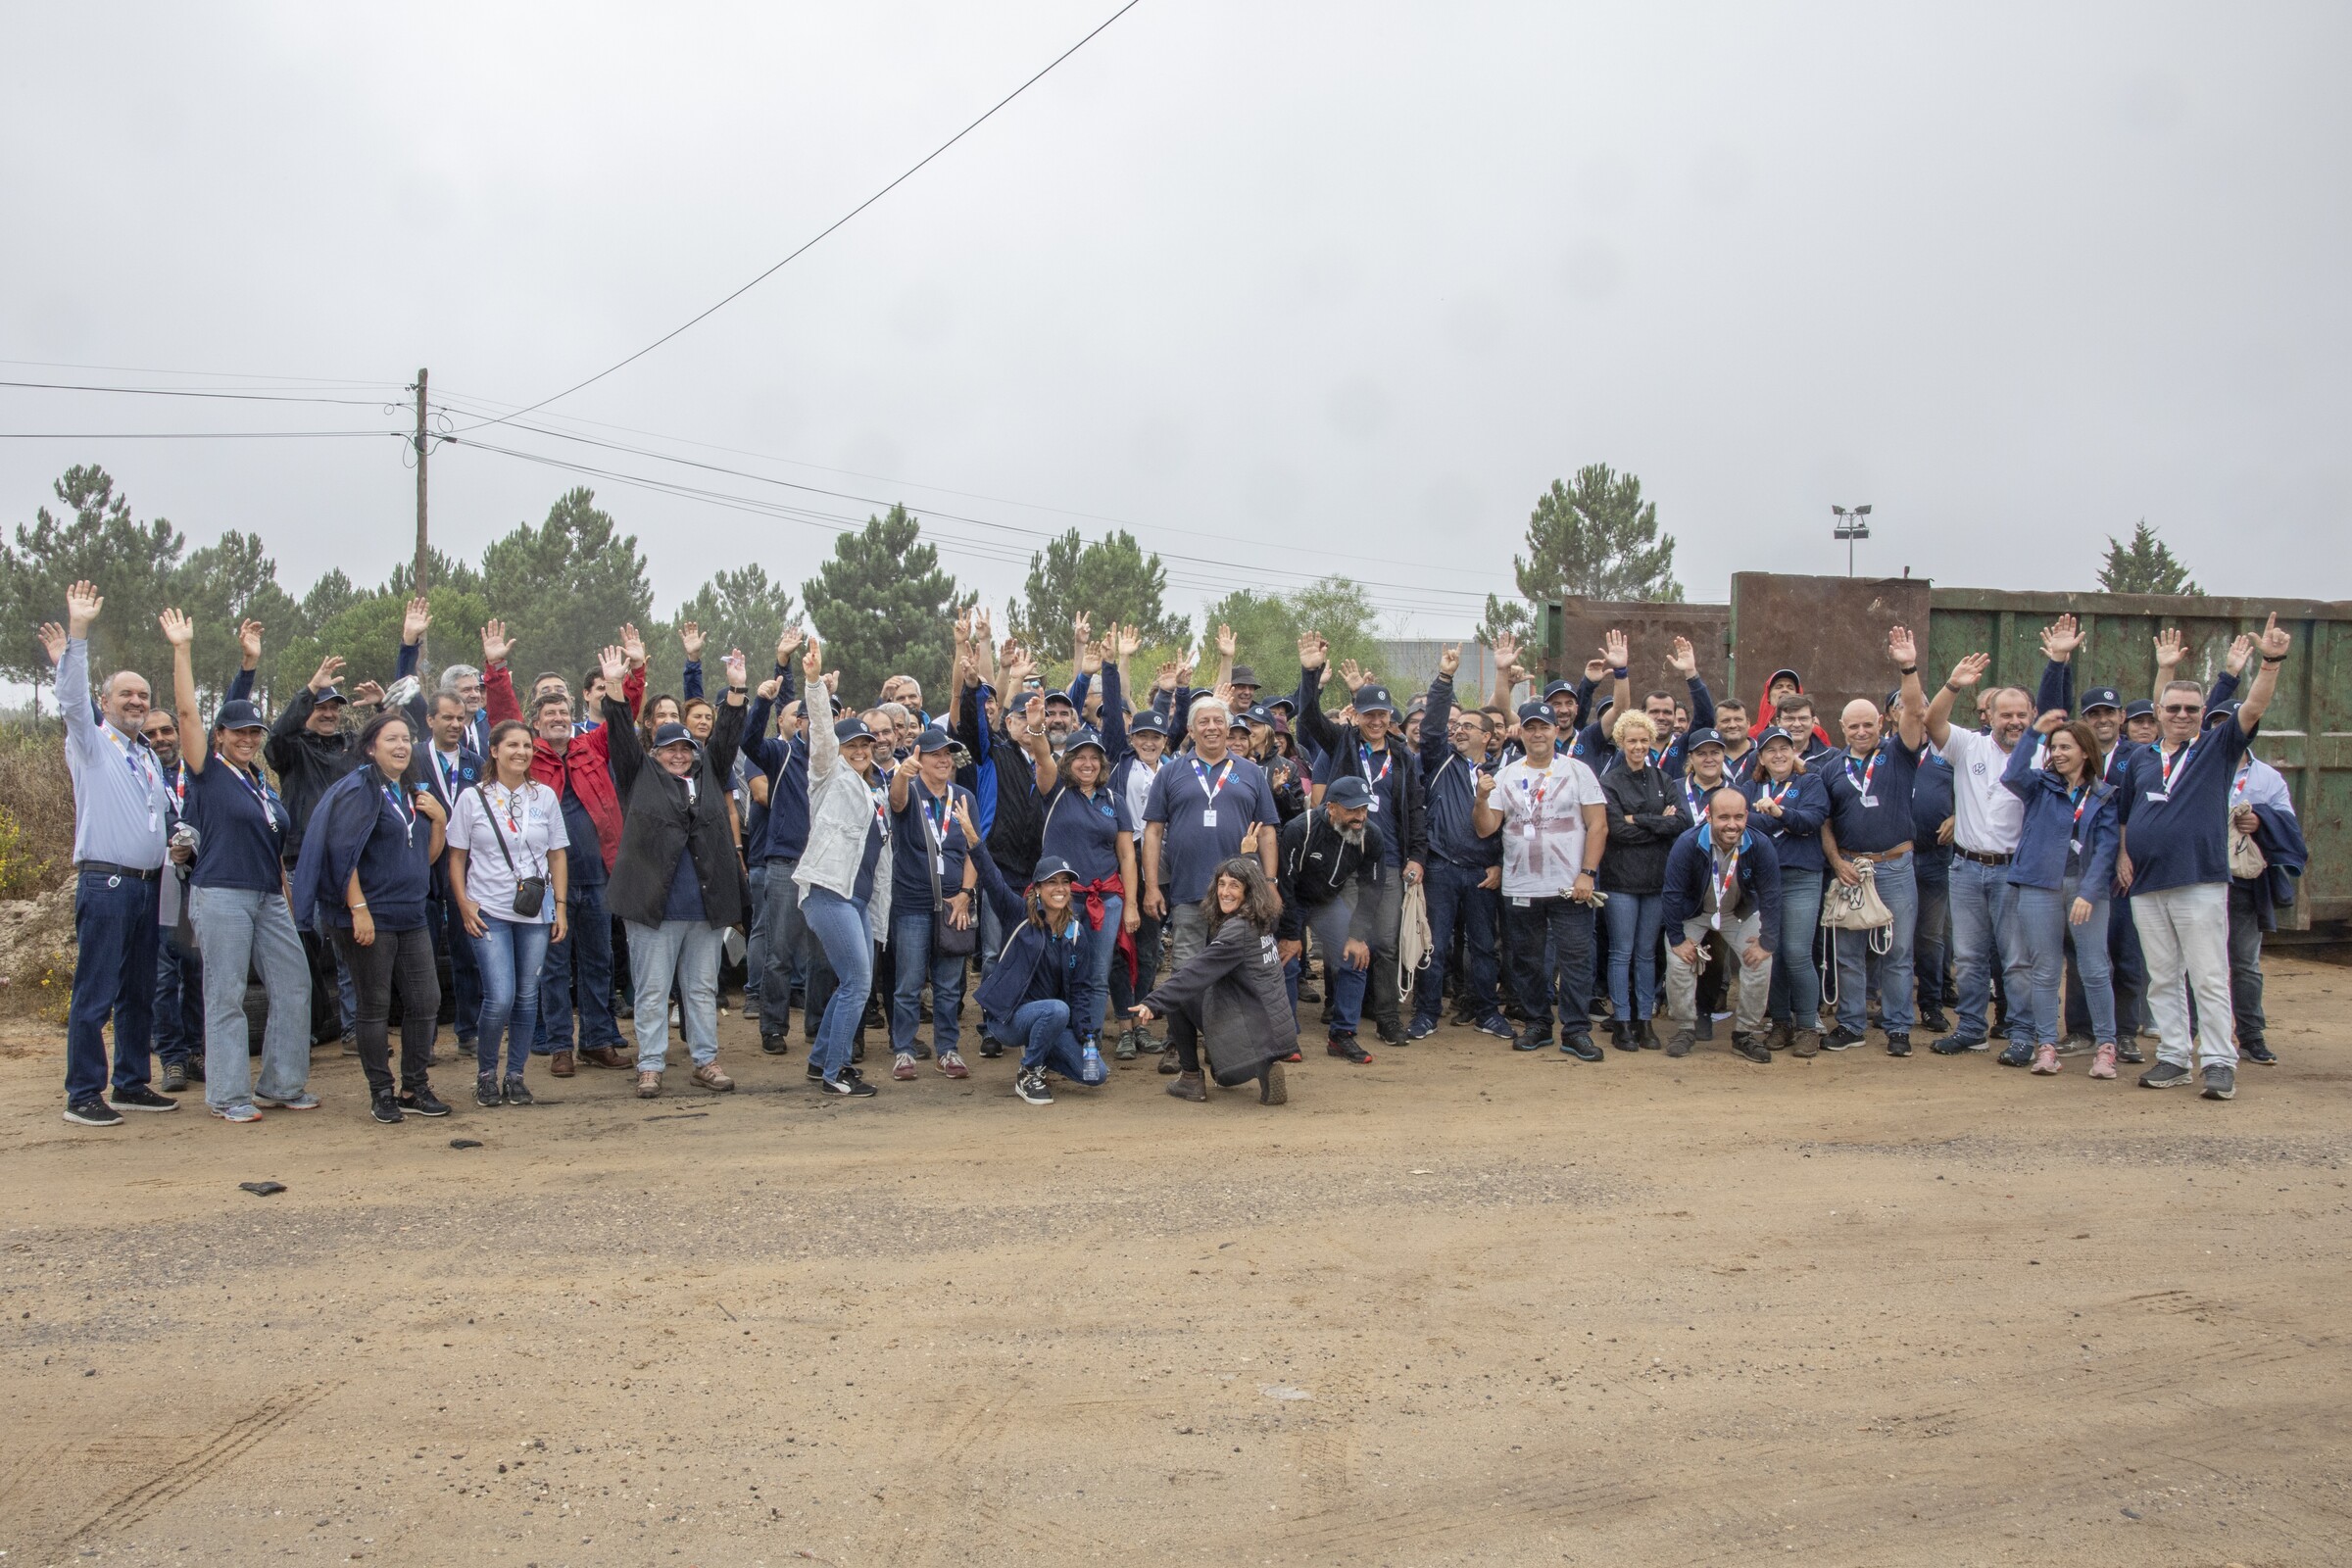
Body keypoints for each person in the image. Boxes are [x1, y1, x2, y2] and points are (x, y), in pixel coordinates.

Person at [2121, 614, 2293, 1102]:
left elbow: (2255, 706)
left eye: (2191, 709)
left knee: (2209, 975)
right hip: (2148, 882)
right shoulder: (2142, 758)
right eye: (2172, 707)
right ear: (2159, 711)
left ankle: (2219, 1061)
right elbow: (2127, 816)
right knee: (2163, 975)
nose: (2181, 715)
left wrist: (2271, 662)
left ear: (2204, 713)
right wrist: (2121, 857)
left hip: (2199, 881)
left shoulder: (2216, 748)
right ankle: (2174, 1056)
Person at [160, 608, 316, 1122]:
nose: (249, 739)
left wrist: (287, 897)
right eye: (238, 732)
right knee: (226, 994)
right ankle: (228, 1095)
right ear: (221, 736)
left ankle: (282, 1083)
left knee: (294, 984)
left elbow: (272, 848)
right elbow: (187, 715)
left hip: (270, 896)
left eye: (255, 733)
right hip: (221, 894)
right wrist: (183, 651)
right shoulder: (206, 771)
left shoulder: (261, 785)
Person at [47, 584, 179, 1126]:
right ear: (105, 703)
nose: (137, 703)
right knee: (96, 990)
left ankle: (130, 1082)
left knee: (137, 991)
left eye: (143, 696)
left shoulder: (146, 756)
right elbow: (72, 699)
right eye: (126, 695)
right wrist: (78, 634)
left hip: (149, 885)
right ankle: (83, 1093)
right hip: (106, 885)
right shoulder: (90, 742)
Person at [481, 620, 639, 1076]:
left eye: (563, 714)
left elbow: (625, 714)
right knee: (552, 965)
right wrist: (497, 669)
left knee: (599, 960)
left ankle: (595, 1039)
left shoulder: (593, 747)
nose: (557, 720)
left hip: (598, 875)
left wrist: (625, 677)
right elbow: (501, 718)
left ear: (573, 716)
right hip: (546, 883)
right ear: (534, 725)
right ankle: (557, 1046)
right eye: (547, 716)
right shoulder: (530, 756)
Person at [600, 644, 750, 1099]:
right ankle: (650, 1065)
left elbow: (725, 739)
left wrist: (738, 689)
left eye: (686, 747)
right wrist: (613, 687)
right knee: (651, 991)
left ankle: (705, 1060)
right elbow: (621, 736)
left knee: (701, 989)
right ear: (656, 751)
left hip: (703, 908)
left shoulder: (707, 774)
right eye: (670, 748)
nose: (679, 755)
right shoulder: (637, 774)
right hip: (653, 907)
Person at [291, 710, 450, 1124]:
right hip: (368, 916)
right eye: (391, 739)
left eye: (405, 738)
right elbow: (343, 856)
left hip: (411, 913)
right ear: (370, 747)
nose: (401, 746)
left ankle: (415, 1086)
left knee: (425, 1000)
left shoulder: (413, 791)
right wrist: (358, 909)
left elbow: (425, 859)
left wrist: (440, 821)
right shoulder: (358, 790)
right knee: (375, 1004)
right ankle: (381, 1092)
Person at [1292, 635, 1426, 1047]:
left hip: (1384, 859)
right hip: (1341, 857)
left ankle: (1386, 1017)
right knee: (1342, 937)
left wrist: (1417, 855)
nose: (1376, 720)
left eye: (1382, 714)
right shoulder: (1344, 742)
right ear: (1359, 715)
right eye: (1368, 713)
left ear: (1390, 718)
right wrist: (1310, 673)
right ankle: (1339, 1008)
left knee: (1382, 941)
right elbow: (1309, 719)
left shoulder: (1404, 758)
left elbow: (1416, 811)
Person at [1141, 694, 1284, 1070]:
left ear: (1229, 727)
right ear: (1191, 730)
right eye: (1203, 722)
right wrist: (1152, 886)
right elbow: (1153, 831)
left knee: (1238, 973)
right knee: (1187, 972)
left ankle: (1234, 1047)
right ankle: (1178, 1046)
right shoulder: (1170, 772)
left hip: (1240, 897)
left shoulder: (1251, 773)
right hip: (1189, 891)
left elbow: (1268, 831)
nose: (1211, 728)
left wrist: (1269, 881)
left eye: (1218, 721)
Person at [1920, 645, 2040, 1060]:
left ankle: (2023, 1032)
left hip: (2014, 872)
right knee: (1969, 958)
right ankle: (1972, 1028)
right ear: (1989, 715)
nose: (2014, 722)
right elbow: (1932, 722)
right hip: (1967, 868)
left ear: (2033, 716)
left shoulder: (2043, 755)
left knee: (2016, 961)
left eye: (2021, 715)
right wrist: (1953, 684)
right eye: (2005, 714)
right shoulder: (1969, 745)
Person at [1472, 700, 1608, 1059]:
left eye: (1544, 727)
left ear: (1555, 731)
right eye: (1530, 727)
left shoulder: (1578, 772)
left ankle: (1577, 1030)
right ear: (1523, 732)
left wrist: (1587, 873)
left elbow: (1598, 825)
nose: (1537, 733)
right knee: (1528, 961)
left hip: (1570, 886)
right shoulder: (1505, 775)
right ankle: (1537, 1023)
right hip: (1522, 885)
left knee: (1576, 960)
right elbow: (1487, 828)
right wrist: (1481, 799)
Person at [446, 718, 570, 1107]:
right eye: (512, 745)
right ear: (494, 750)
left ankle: (515, 1076)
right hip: (489, 910)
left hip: (534, 912)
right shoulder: (472, 797)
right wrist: (464, 901)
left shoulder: (545, 796)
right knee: (499, 997)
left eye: (527, 746)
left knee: (527, 997)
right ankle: (486, 1074)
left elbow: (557, 854)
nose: (521, 752)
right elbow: (456, 855)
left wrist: (561, 907)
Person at [1818, 628, 1931, 1055]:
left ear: (1881, 723)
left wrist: (1908, 666)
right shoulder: (1830, 768)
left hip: (1896, 866)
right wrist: (1834, 860)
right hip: (1851, 869)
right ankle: (1850, 1024)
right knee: (1847, 951)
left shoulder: (1900, 752)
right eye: (1854, 725)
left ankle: (1898, 1027)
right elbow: (1824, 821)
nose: (1862, 731)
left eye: (1869, 724)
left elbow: (1917, 711)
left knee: (1898, 951)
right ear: (1841, 727)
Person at [2001, 710, 2121, 1077]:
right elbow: (2012, 774)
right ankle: (2048, 1047)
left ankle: (2106, 1048)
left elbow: (2105, 849)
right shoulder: (2039, 785)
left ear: (2085, 751)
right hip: (2039, 886)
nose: (2057, 753)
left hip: (2084, 891)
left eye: (2065, 747)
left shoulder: (2104, 795)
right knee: (2045, 970)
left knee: (2095, 968)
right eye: (2053, 747)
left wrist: (2089, 891)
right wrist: (2034, 734)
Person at [795, 636, 889, 1098]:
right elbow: (821, 733)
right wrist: (814, 683)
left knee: (852, 982)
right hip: (828, 891)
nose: (859, 750)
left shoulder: (876, 793)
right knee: (857, 983)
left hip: (856, 899)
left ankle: (819, 1063)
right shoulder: (828, 774)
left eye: (865, 744)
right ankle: (836, 1072)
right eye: (851, 743)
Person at [1028, 664, 1138, 1057]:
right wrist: (1039, 729)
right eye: (1080, 757)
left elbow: (1126, 854)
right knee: (1058, 972)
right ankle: (1059, 1039)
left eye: (1095, 757)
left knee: (1095, 972)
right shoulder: (1054, 790)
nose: (1088, 763)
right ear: (1069, 761)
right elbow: (1042, 756)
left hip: (1106, 900)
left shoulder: (1115, 801)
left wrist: (1131, 905)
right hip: (1062, 900)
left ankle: (1088, 1038)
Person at [1132, 858, 1295, 1106]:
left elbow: (1195, 973)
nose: (1224, 892)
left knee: (1181, 993)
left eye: (1234, 886)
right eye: (1221, 884)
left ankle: (1190, 1078)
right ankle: (1264, 1068)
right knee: (1211, 988)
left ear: (1249, 891)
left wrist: (1154, 1002)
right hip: (1276, 1036)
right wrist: (1249, 855)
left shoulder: (1237, 930)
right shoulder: (1263, 920)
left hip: (1249, 1036)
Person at [1413, 646, 1511, 1042]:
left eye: (1468, 727)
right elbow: (1433, 728)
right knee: (1432, 945)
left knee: (1484, 947)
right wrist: (1444, 680)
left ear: (1488, 737)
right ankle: (1425, 1014)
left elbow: (1511, 827)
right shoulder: (1440, 761)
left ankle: (1488, 1012)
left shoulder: (1502, 774)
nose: (1459, 731)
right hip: (1440, 868)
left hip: (1482, 872)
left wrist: (1500, 863)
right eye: (1458, 726)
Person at [966, 838, 1095, 1105]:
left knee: (1095, 1074)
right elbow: (992, 877)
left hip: (1050, 1019)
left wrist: (1085, 1032)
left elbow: (1082, 988)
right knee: (1058, 1009)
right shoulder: (1018, 914)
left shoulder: (1075, 932)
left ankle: (1041, 1053)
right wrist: (973, 840)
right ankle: (1028, 1071)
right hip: (1009, 1019)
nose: (1060, 889)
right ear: (1037, 888)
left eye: (1065, 882)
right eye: (1052, 882)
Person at [884, 725, 980, 1082]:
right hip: (912, 903)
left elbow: (973, 849)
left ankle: (947, 1050)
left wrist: (966, 895)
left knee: (950, 984)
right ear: (918, 758)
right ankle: (904, 1050)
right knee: (909, 982)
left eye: (947, 754)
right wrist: (900, 776)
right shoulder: (909, 790)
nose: (943, 760)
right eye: (934, 753)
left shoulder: (963, 796)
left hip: (954, 904)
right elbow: (895, 803)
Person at [1661, 789, 1781, 1062]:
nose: (1732, 824)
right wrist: (1678, 940)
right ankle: (1684, 1028)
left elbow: (1772, 896)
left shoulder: (1759, 844)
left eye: (1738, 817)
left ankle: (1744, 1034)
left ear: (1747, 816)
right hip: (1695, 912)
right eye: (1723, 817)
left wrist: (1767, 942)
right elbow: (1672, 893)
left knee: (1759, 962)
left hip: (1737, 914)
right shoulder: (1688, 843)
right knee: (1679, 961)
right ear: (1709, 817)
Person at [1274, 775, 1386, 1062]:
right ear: (1331, 807)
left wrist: (1358, 934)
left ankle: (1342, 1036)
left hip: (1326, 902)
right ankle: (1285, 1037)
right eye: (1352, 810)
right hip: (1293, 901)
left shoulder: (1371, 835)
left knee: (1356, 957)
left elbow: (1372, 888)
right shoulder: (1301, 829)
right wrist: (1289, 935)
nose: (1360, 817)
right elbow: (1285, 885)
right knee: (1286, 961)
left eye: (1364, 809)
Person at [740, 626, 811, 1054]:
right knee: (779, 951)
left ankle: (818, 1028)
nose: (806, 721)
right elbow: (750, 739)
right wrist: (776, 676)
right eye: (800, 717)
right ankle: (772, 1027)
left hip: (824, 865)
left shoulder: (834, 758)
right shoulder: (781, 752)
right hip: (784, 862)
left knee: (819, 958)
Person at [1596, 710, 1685, 1050]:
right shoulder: (1610, 782)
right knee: (1621, 952)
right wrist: (1656, 824)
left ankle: (1644, 1020)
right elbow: (1616, 830)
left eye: (1643, 741)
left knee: (1647, 953)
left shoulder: (1664, 780)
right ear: (1621, 742)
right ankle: (1621, 1021)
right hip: (1620, 881)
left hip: (1656, 881)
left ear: (1651, 742)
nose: (1638, 746)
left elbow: (1679, 824)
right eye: (1631, 741)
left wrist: (1640, 820)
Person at [1742, 729, 1831, 1054]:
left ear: (1794, 752)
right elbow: (1741, 822)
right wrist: (1781, 823)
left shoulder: (1810, 782)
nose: (1778, 755)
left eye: (1784, 748)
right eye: (1770, 750)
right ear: (1761, 758)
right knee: (1772, 953)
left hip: (1801, 878)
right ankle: (1780, 1022)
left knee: (1795, 952)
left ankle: (1808, 1025)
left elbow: (1812, 819)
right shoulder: (1750, 787)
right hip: (1764, 881)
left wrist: (1779, 814)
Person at [2226, 744, 2304, 1065]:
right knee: (2192, 961)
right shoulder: (2196, 766)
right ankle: (2187, 1034)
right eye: (2215, 724)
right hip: (2199, 877)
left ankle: (2251, 1036)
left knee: (2245, 961)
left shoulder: (2267, 777)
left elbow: (2288, 823)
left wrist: (2260, 820)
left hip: (2245, 881)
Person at [1106, 707, 1174, 1058]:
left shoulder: (1175, 769)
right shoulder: (1121, 766)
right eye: (1142, 735)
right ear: (1131, 739)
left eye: (1156, 736)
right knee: (1121, 947)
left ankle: (1142, 1023)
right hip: (1124, 857)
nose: (1149, 742)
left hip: (1162, 864)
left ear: (1166, 740)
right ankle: (1123, 1027)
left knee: (1149, 949)